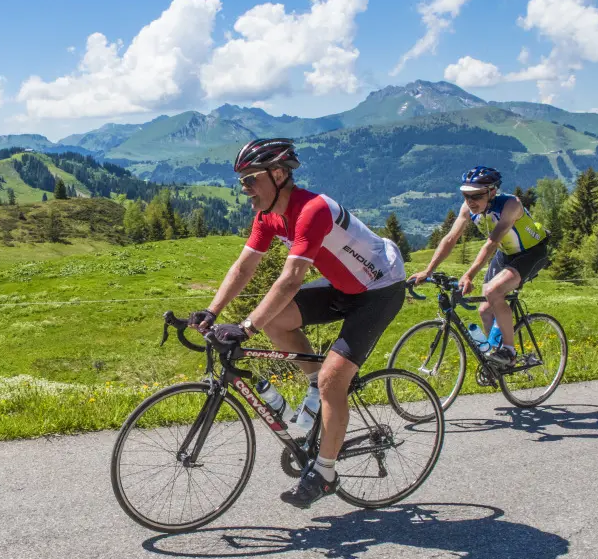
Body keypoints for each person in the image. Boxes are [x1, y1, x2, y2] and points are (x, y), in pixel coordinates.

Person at [189, 138, 406, 509]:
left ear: (278, 175)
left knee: (332, 380)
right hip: (343, 286)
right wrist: (212, 312)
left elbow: (291, 278)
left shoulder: (313, 210)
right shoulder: (268, 214)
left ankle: (325, 473)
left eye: (250, 180)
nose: (245, 190)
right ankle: (313, 399)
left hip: (379, 289)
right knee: (277, 323)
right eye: (241, 182)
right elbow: (244, 266)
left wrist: (245, 327)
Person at [410, 166, 550, 365]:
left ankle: (509, 353)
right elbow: (451, 239)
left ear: (492, 191)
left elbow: (491, 243)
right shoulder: (468, 208)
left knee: (493, 292)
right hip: (507, 253)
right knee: (485, 310)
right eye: (466, 195)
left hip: (531, 253)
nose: (470, 201)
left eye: (476, 196)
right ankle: (496, 358)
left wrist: (469, 275)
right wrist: (428, 270)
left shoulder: (511, 205)